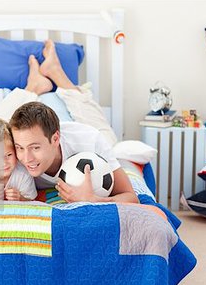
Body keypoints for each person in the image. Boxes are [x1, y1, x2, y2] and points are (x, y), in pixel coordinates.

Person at [7, 40, 138, 204]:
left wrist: (92, 199)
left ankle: (56, 72)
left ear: (55, 139)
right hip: (45, 122)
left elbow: (131, 198)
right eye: (20, 148)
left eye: (35, 148)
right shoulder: (11, 153)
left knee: (102, 129)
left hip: (75, 127)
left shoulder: (90, 140)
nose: (27, 158)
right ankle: (33, 85)